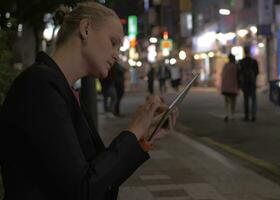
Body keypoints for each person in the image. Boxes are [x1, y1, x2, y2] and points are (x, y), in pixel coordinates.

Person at [0, 2, 174, 200]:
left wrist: (141, 138)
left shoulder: (62, 88)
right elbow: (82, 190)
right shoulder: (40, 86)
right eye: (113, 42)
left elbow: (96, 178)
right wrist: (133, 130)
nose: (116, 55)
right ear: (85, 29)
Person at [238, 47, 259, 122]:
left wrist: (240, 83)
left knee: (246, 100)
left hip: (245, 84)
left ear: (244, 52)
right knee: (253, 100)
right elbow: (257, 72)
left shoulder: (241, 61)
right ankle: (253, 116)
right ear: (249, 52)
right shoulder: (254, 61)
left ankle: (246, 116)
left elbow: (239, 73)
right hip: (252, 83)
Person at [221, 54, 239, 122]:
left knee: (226, 101)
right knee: (233, 102)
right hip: (233, 87)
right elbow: (238, 76)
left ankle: (226, 114)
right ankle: (232, 115)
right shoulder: (235, 66)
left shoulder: (226, 66)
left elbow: (222, 75)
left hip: (226, 87)